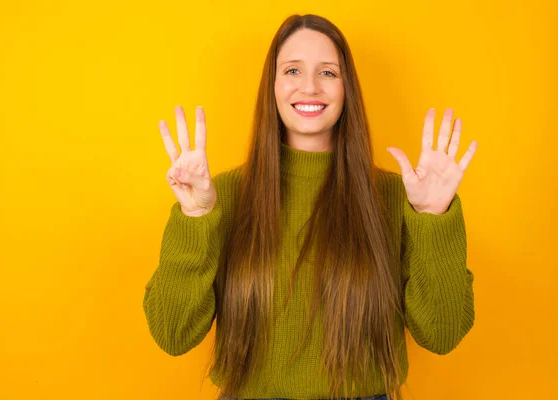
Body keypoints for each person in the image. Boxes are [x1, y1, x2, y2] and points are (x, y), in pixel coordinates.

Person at [143, 13, 477, 400]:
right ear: (272, 86)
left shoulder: (398, 197)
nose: (309, 87)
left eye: (328, 73)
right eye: (292, 70)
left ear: (346, 88)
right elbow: (172, 332)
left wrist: (433, 219)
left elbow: (443, 333)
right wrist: (196, 219)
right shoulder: (221, 197)